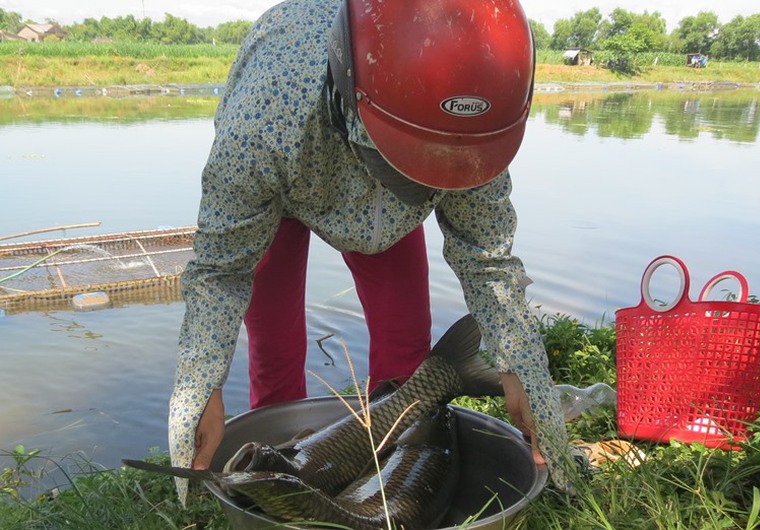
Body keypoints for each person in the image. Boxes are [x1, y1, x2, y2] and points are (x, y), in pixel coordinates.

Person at [169, 0, 575, 503]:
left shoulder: (474, 119)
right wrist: (201, 384)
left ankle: (393, 483)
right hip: (284, 186)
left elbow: (487, 260)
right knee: (275, 353)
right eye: (414, 158)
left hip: (394, 211)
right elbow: (221, 270)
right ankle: (279, 484)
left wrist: (522, 368)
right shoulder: (264, 119)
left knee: (407, 353)